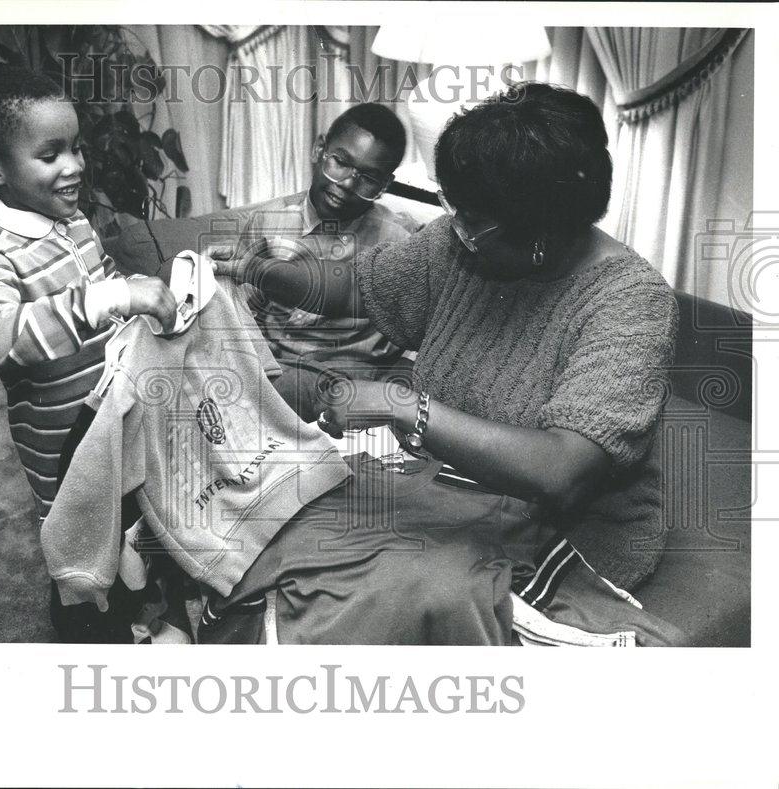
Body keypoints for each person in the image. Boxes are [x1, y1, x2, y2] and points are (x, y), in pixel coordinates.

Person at [210, 82, 683, 644]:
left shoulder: (630, 302)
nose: (453, 229)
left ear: (542, 234)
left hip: (568, 530)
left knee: (401, 586)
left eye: (472, 220)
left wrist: (401, 406)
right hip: (455, 489)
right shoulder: (465, 242)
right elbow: (353, 286)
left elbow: (564, 471)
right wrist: (259, 270)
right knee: (283, 514)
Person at [0, 67, 181, 642]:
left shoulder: (73, 220)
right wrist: (106, 297)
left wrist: (138, 300)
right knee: (83, 541)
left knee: (133, 515)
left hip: (111, 414)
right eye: (51, 154)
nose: (75, 165)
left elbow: (100, 282)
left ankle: (140, 600)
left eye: (76, 148)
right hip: (61, 445)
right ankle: (85, 622)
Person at [211, 103, 419, 419]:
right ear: (319, 149)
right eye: (340, 162)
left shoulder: (398, 244)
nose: (347, 183)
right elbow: (243, 317)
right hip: (273, 370)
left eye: (367, 178)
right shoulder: (269, 223)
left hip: (348, 380)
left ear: (384, 186)